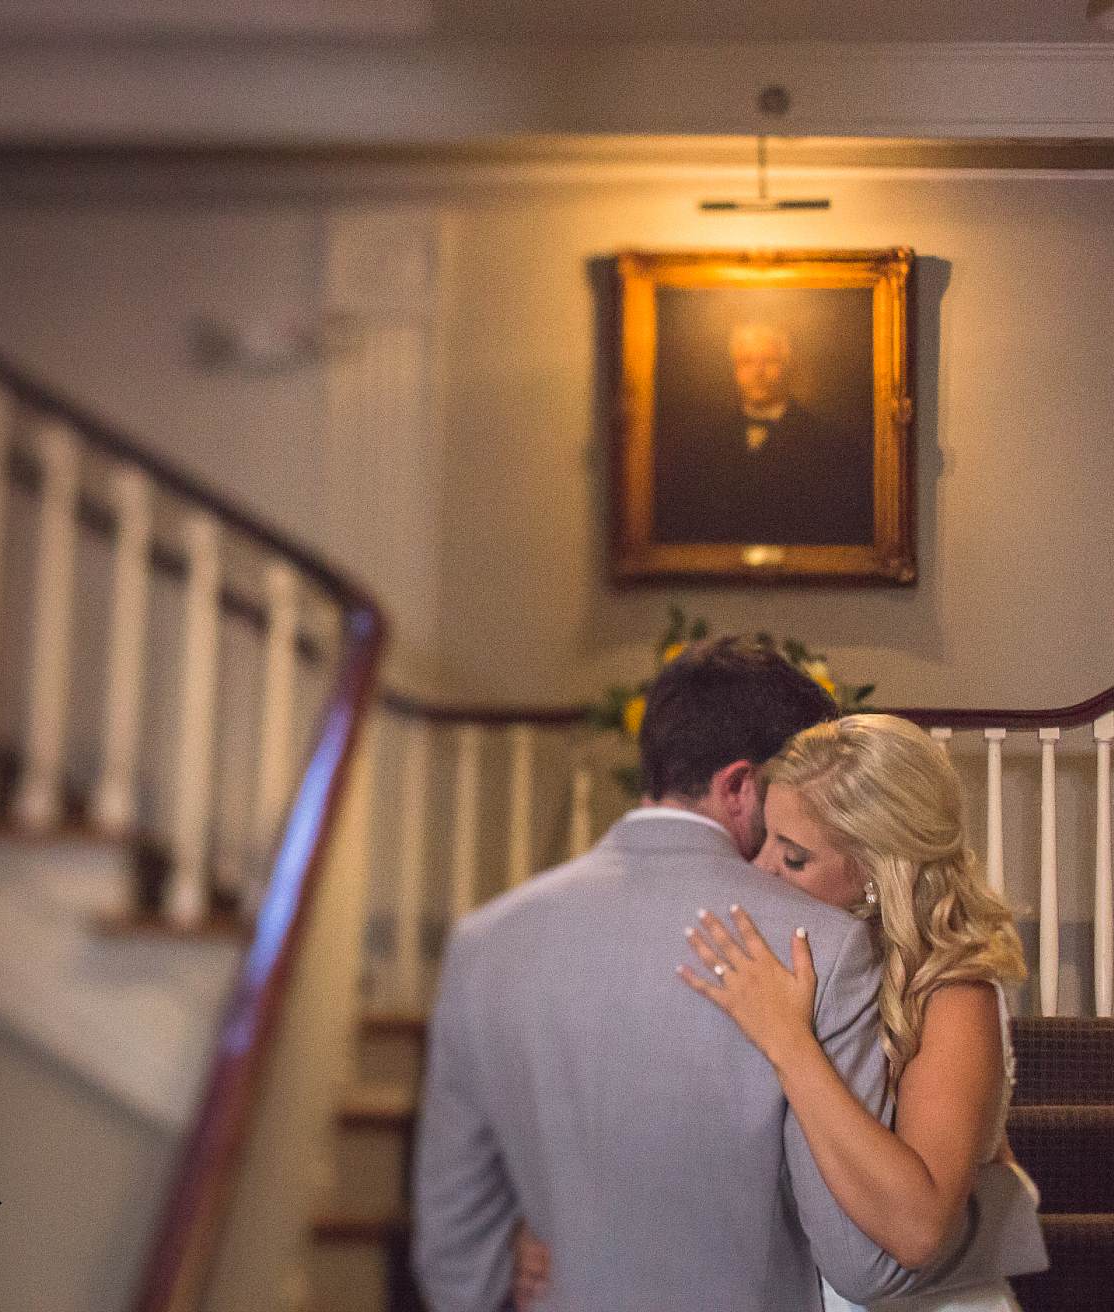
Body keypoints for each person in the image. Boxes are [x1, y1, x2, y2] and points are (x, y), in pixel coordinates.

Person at [414, 639, 1039, 1312]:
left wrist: (788, 1041)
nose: (761, 869)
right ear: (742, 787)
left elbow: (906, 1236)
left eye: (794, 855)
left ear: (879, 870)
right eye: (768, 837)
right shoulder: (813, 950)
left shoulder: (937, 987)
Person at [651, 320, 873, 547]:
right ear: (734, 370)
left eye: (770, 361)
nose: (758, 372)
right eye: (746, 362)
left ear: (789, 366)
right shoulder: (699, 447)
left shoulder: (831, 446)